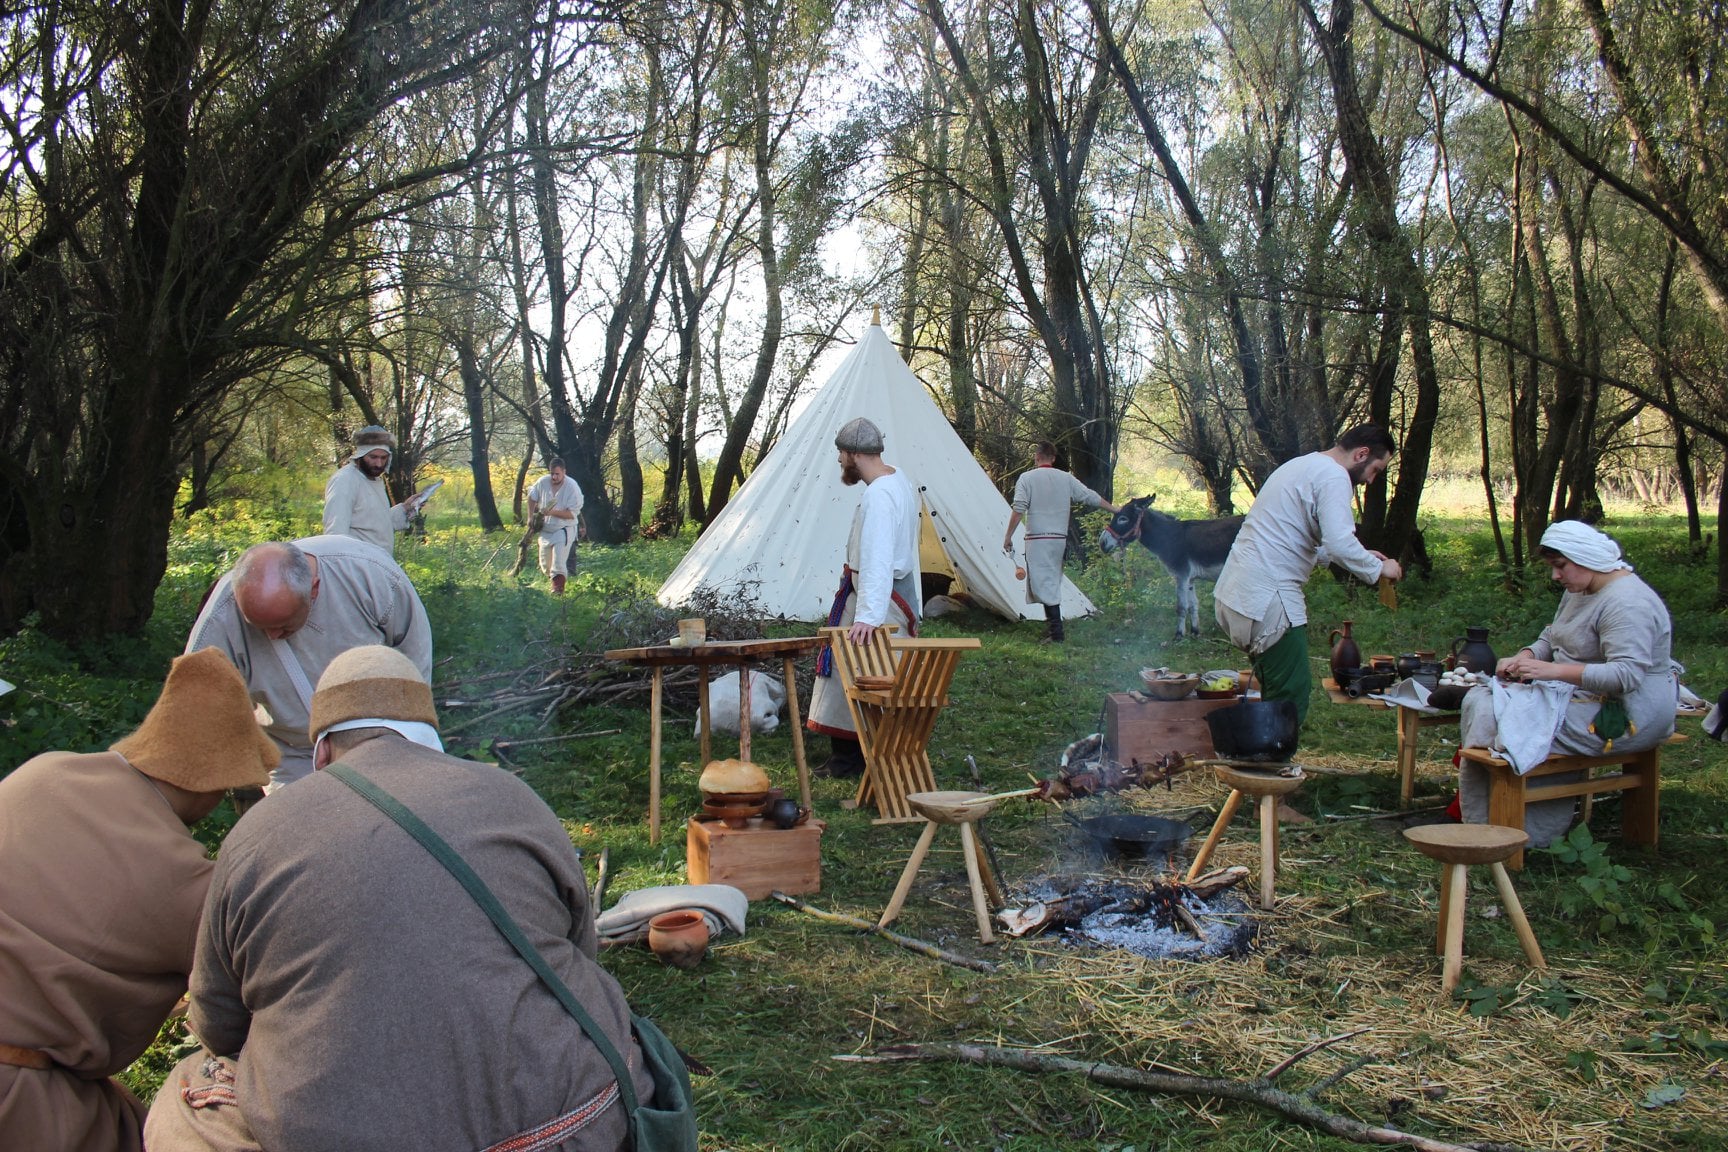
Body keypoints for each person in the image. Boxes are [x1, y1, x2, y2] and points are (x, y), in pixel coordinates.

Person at [144, 646, 655, 1152]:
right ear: (429, 736)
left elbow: (218, 1022)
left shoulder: (257, 833)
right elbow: (580, 951)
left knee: (186, 1095)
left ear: (321, 751)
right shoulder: (514, 796)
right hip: (564, 1127)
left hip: (328, 1137)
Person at [0, 649, 276, 1152]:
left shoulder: (41, 772)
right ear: (214, 784)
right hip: (18, 1097)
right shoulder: (187, 883)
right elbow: (240, 1003)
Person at [1456, 520, 1678, 846]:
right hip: (1581, 697)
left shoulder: (1628, 602)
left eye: (1560, 566)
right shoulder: (1582, 588)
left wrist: (1549, 671)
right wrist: (1527, 655)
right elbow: (1553, 634)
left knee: (1497, 713)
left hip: (1628, 713)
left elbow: (1625, 676)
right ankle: (1487, 824)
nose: (1555, 576)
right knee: (1482, 699)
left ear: (1585, 557)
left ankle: (1522, 833)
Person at [185, 535, 432, 790]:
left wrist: (407, 735)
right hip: (292, 755)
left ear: (313, 591)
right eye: (260, 627)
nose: (271, 637)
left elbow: (415, 659)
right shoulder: (218, 622)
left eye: (282, 626)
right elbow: (196, 711)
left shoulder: (368, 575)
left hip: (378, 742)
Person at [1213, 424, 1403, 729]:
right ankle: (1273, 770)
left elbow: (1313, 540)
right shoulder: (1334, 476)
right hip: (1269, 601)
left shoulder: (1303, 465)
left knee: (1274, 692)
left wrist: (1366, 556)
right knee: (1290, 698)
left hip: (1236, 595)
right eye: (1376, 469)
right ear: (1362, 454)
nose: (1371, 480)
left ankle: (1255, 762)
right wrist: (1382, 568)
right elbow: (1340, 544)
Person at [806, 417, 922, 777]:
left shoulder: (880, 494)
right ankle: (855, 755)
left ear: (855, 454)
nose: (840, 460)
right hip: (885, 593)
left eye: (841, 454)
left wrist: (868, 617)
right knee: (859, 672)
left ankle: (850, 760)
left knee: (853, 672)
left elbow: (878, 555)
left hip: (880, 597)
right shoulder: (898, 480)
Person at [1003, 440, 1117, 642]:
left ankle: (1057, 633)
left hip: (1038, 539)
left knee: (1044, 584)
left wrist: (1008, 535)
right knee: (1049, 582)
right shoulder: (1066, 478)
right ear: (1053, 458)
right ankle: (1053, 629)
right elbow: (1089, 496)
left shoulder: (1027, 478)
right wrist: (1115, 509)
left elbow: (1019, 508)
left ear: (1037, 457)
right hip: (1058, 539)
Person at [322, 425, 424, 552]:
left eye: (383, 458)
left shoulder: (375, 480)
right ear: (361, 455)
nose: (379, 464)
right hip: (357, 566)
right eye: (373, 457)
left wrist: (405, 508)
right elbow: (335, 534)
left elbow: (375, 526)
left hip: (377, 565)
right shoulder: (345, 480)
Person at [529, 457, 586, 595]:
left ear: (564, 472)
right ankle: (553, 581)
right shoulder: (543, 482)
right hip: (546, 530)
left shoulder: (572, 487)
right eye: (552, 474)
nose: (554, 477)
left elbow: (572, 514)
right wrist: (530, 516)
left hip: (564, 529)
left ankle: (557, 591)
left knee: (558, 562)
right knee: (546, 565)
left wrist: (551, 512)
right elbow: (532, 497)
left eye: (557, 474)